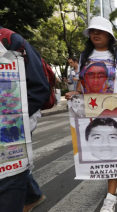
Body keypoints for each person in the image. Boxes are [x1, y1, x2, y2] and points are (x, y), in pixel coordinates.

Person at [64, 16, 117, 212]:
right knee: (99, 154)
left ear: (109, 35)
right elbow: (81, 84)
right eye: (92, 31)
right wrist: (75, 93)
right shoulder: (84, 56)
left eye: (100, 31)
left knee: (114, 155)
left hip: (116, 110)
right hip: (90, 112)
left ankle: (110, 199)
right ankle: (114, 181)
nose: (95, 33)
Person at [0, 27, 50, 212]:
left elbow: (40, 88)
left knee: (10, 171)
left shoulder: (11, 39)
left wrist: (13, 117)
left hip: (13, 122)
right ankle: (33, 195)